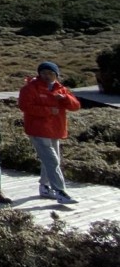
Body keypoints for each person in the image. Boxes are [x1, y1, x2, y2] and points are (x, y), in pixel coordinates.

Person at [18, 61, 81, 205]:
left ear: (56, 75)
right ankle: (60, 192)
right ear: (39, 74)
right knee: (52, 161)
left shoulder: (61, 89)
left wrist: (65, 99)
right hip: (38, 130)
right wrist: (47, 111)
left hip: (55, 130)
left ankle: (44, 187)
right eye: (43, 73)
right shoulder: (30, 88)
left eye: (50, 73)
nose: (46, 76)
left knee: (52, 161)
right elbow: (24, 106)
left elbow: (76, 106)